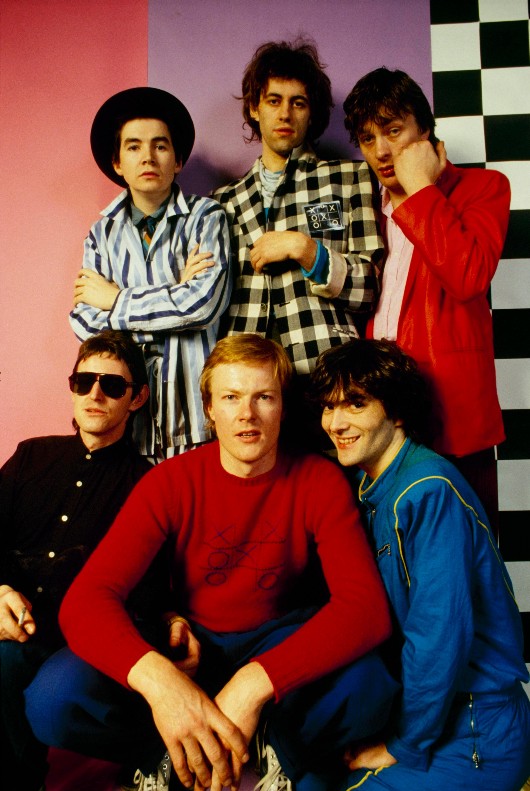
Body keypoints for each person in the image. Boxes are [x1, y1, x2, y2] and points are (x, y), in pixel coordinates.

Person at [25, 335, 398, 791]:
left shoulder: (319, 480)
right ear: (209, 409)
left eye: (264, 397)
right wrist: (165, 687)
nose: (247, 414)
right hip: (192, 650)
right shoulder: (169, 481)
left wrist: (254, 685)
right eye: (231, 397)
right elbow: (87, 599)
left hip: (277, 643)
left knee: (371, 684)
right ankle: (166, 752)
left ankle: (272, 748)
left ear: (283, 406)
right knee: (53, 697)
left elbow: (365, 609)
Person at [309, 339, 530, 790]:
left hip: (476, 729)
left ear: (396, 412)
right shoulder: (367, 485)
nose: (336, 422)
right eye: (329, 406)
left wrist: (404, 745)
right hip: (421, 712)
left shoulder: (427, 490)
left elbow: (437, 635)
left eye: (356, 404)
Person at [342, 68, 510, 529]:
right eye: (368, 138)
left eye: (394, 131)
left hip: (454, 414)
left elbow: (468, 277)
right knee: (391, 547)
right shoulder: (364, 207)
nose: (381, 151)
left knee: (468, 550)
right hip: (380, 413)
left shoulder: (484, 188)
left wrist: (422, 188)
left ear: (425, 132)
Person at [0, 330, 154, 791]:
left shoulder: (147, 483)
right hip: (16, 620)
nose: (94, 394)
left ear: (137, 398)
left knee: (28, 677)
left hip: (83, 640)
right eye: (84, 382)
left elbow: (148, 587)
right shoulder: (31, 456)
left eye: (112, 385)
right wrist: (0, 591)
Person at [70, 86, 232, 460]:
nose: (148, 157)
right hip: (123, 421)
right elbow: (84, 322)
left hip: (193, 416)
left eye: (160, 146)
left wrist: (115, 299)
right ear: (117, 163)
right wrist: (175, 293)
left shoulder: (206, 217)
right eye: (133, 147)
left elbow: (202, 305)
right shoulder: (100, 234)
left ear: (178, 160)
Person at [213, 40, 383, 378]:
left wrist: (306, 250)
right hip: (246, 378)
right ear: (254, 108)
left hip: (327, 372)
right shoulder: (222, 201)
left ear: (312, 112)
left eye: (298, 103)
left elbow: (369, 290)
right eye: (273, 100)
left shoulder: (350, 178)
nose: (285, 114)